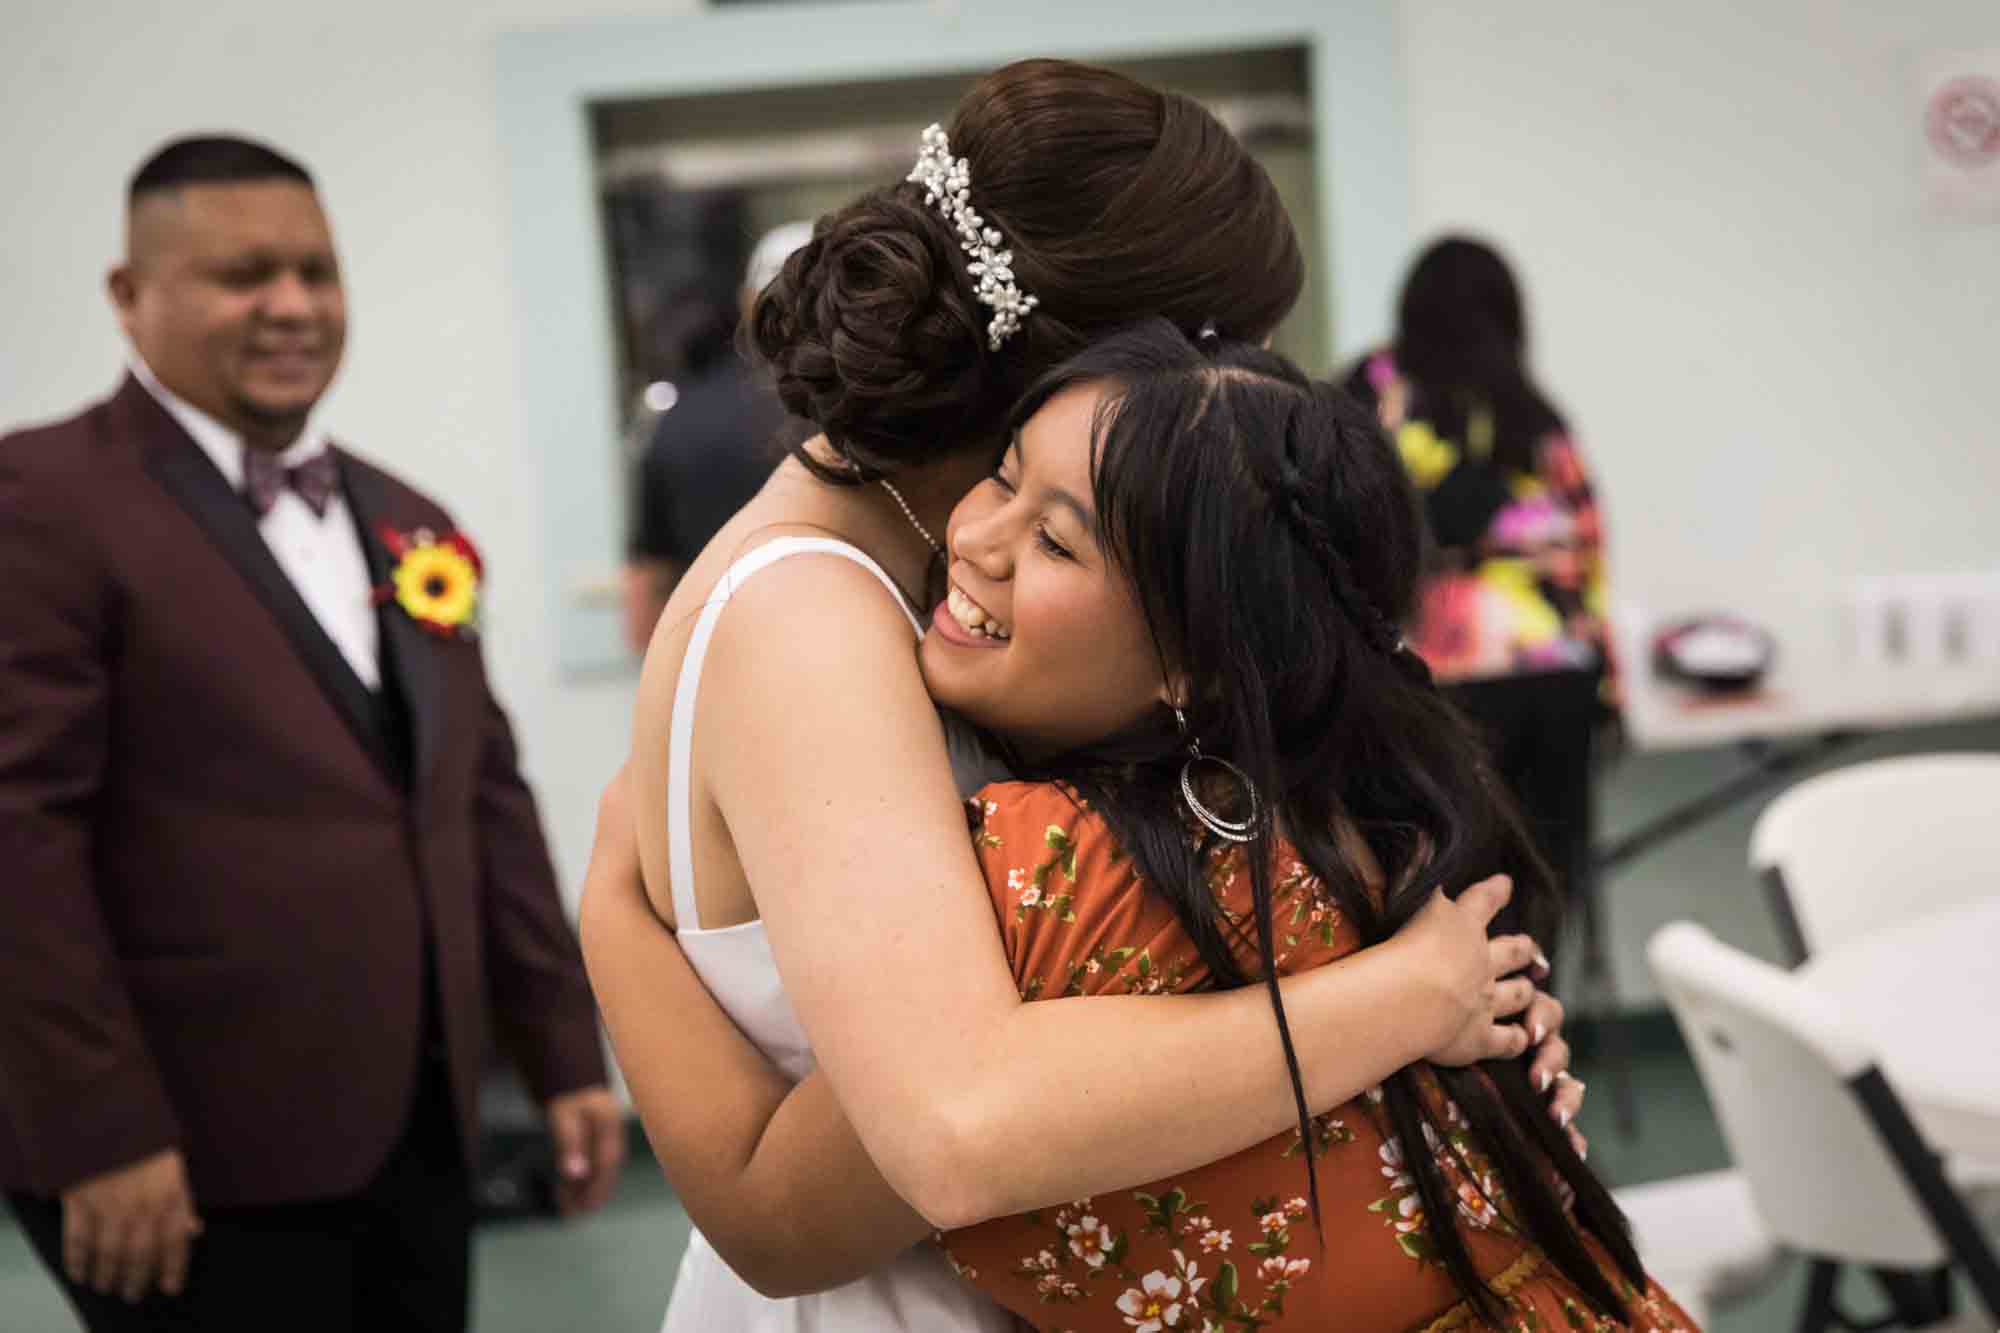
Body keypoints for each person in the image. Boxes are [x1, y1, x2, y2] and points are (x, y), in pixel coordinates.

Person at [581, 60, 1585, 1331]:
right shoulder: (811, 617)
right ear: (1094, 352)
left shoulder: (935, 579)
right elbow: (952, 1122)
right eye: (1215, 349)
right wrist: (1394, 1002)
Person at [920, 320, 1693, 1330]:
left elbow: (799, 1183)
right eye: (1001, 477)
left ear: (1192, 656)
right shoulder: (1366, 828)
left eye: (1055, 539)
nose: (969, 539)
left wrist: (633, 894)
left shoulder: (1041, 867)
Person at [0, 136, 621, 1333]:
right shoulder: (42, 504)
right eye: (244, 275)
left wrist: (562, 1048)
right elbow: (15, 843)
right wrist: (98, 1130)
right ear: (129, 299)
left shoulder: (408, 520)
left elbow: (481, 793)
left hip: (419, 1123)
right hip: (185, 1145)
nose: (292, 306)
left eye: (317, 272)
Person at [1343, 236, 1612, 928]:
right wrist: (1609, 687)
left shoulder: (1371, 392)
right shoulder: (1532, 414)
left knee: (1433, 899)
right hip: (1552, 680)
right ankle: (1533, 1027)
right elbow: (1587, 551)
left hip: (1430, 686)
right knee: (1536, 895)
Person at [620, 222, 812, 652]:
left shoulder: (680, 419)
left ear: (748, 303)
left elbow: (645, 584)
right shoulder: (861, 418)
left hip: (713, 664)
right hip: (842, 662)